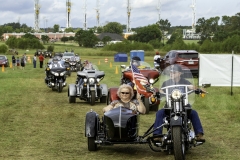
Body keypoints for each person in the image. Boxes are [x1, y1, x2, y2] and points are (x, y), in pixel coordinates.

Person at [153, 64, 205, 142]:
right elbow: (161, 90)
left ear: (180, 73)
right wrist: (157, 92)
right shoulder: (166, 83)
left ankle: (199, 134)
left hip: (183, 105)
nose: (171, 74)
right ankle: (157, 135)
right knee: (159, 113)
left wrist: (197, 89)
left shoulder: (185, 82)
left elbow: (192, 87)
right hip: (170, 106)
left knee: (194, 113)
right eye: (170, 72)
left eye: (174, 72)